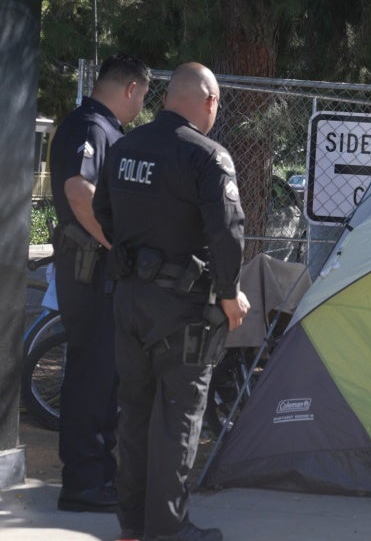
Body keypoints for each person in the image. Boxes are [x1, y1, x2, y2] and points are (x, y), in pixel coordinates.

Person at [93, 62, 251, 541]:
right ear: (210, 102)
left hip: (129, 301)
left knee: (134, 415)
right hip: (184, 312)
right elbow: (227, 234)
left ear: (165, 99)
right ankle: (168, 529)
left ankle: (132, 526)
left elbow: (103, 212)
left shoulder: (125, 147)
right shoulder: (207, 157)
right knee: (178, 420)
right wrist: (230, 294)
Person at [49, 54, 151, 513]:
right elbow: (79, 190)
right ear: (130, 88)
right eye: (142, 96)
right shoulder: (92, 126)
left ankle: (96, 476)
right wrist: (117, 243)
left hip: (94, 271)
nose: (141, 106)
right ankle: (84, 483)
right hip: (91, 271)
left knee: (102, 376)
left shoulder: (101, 127)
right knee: (93, 377)